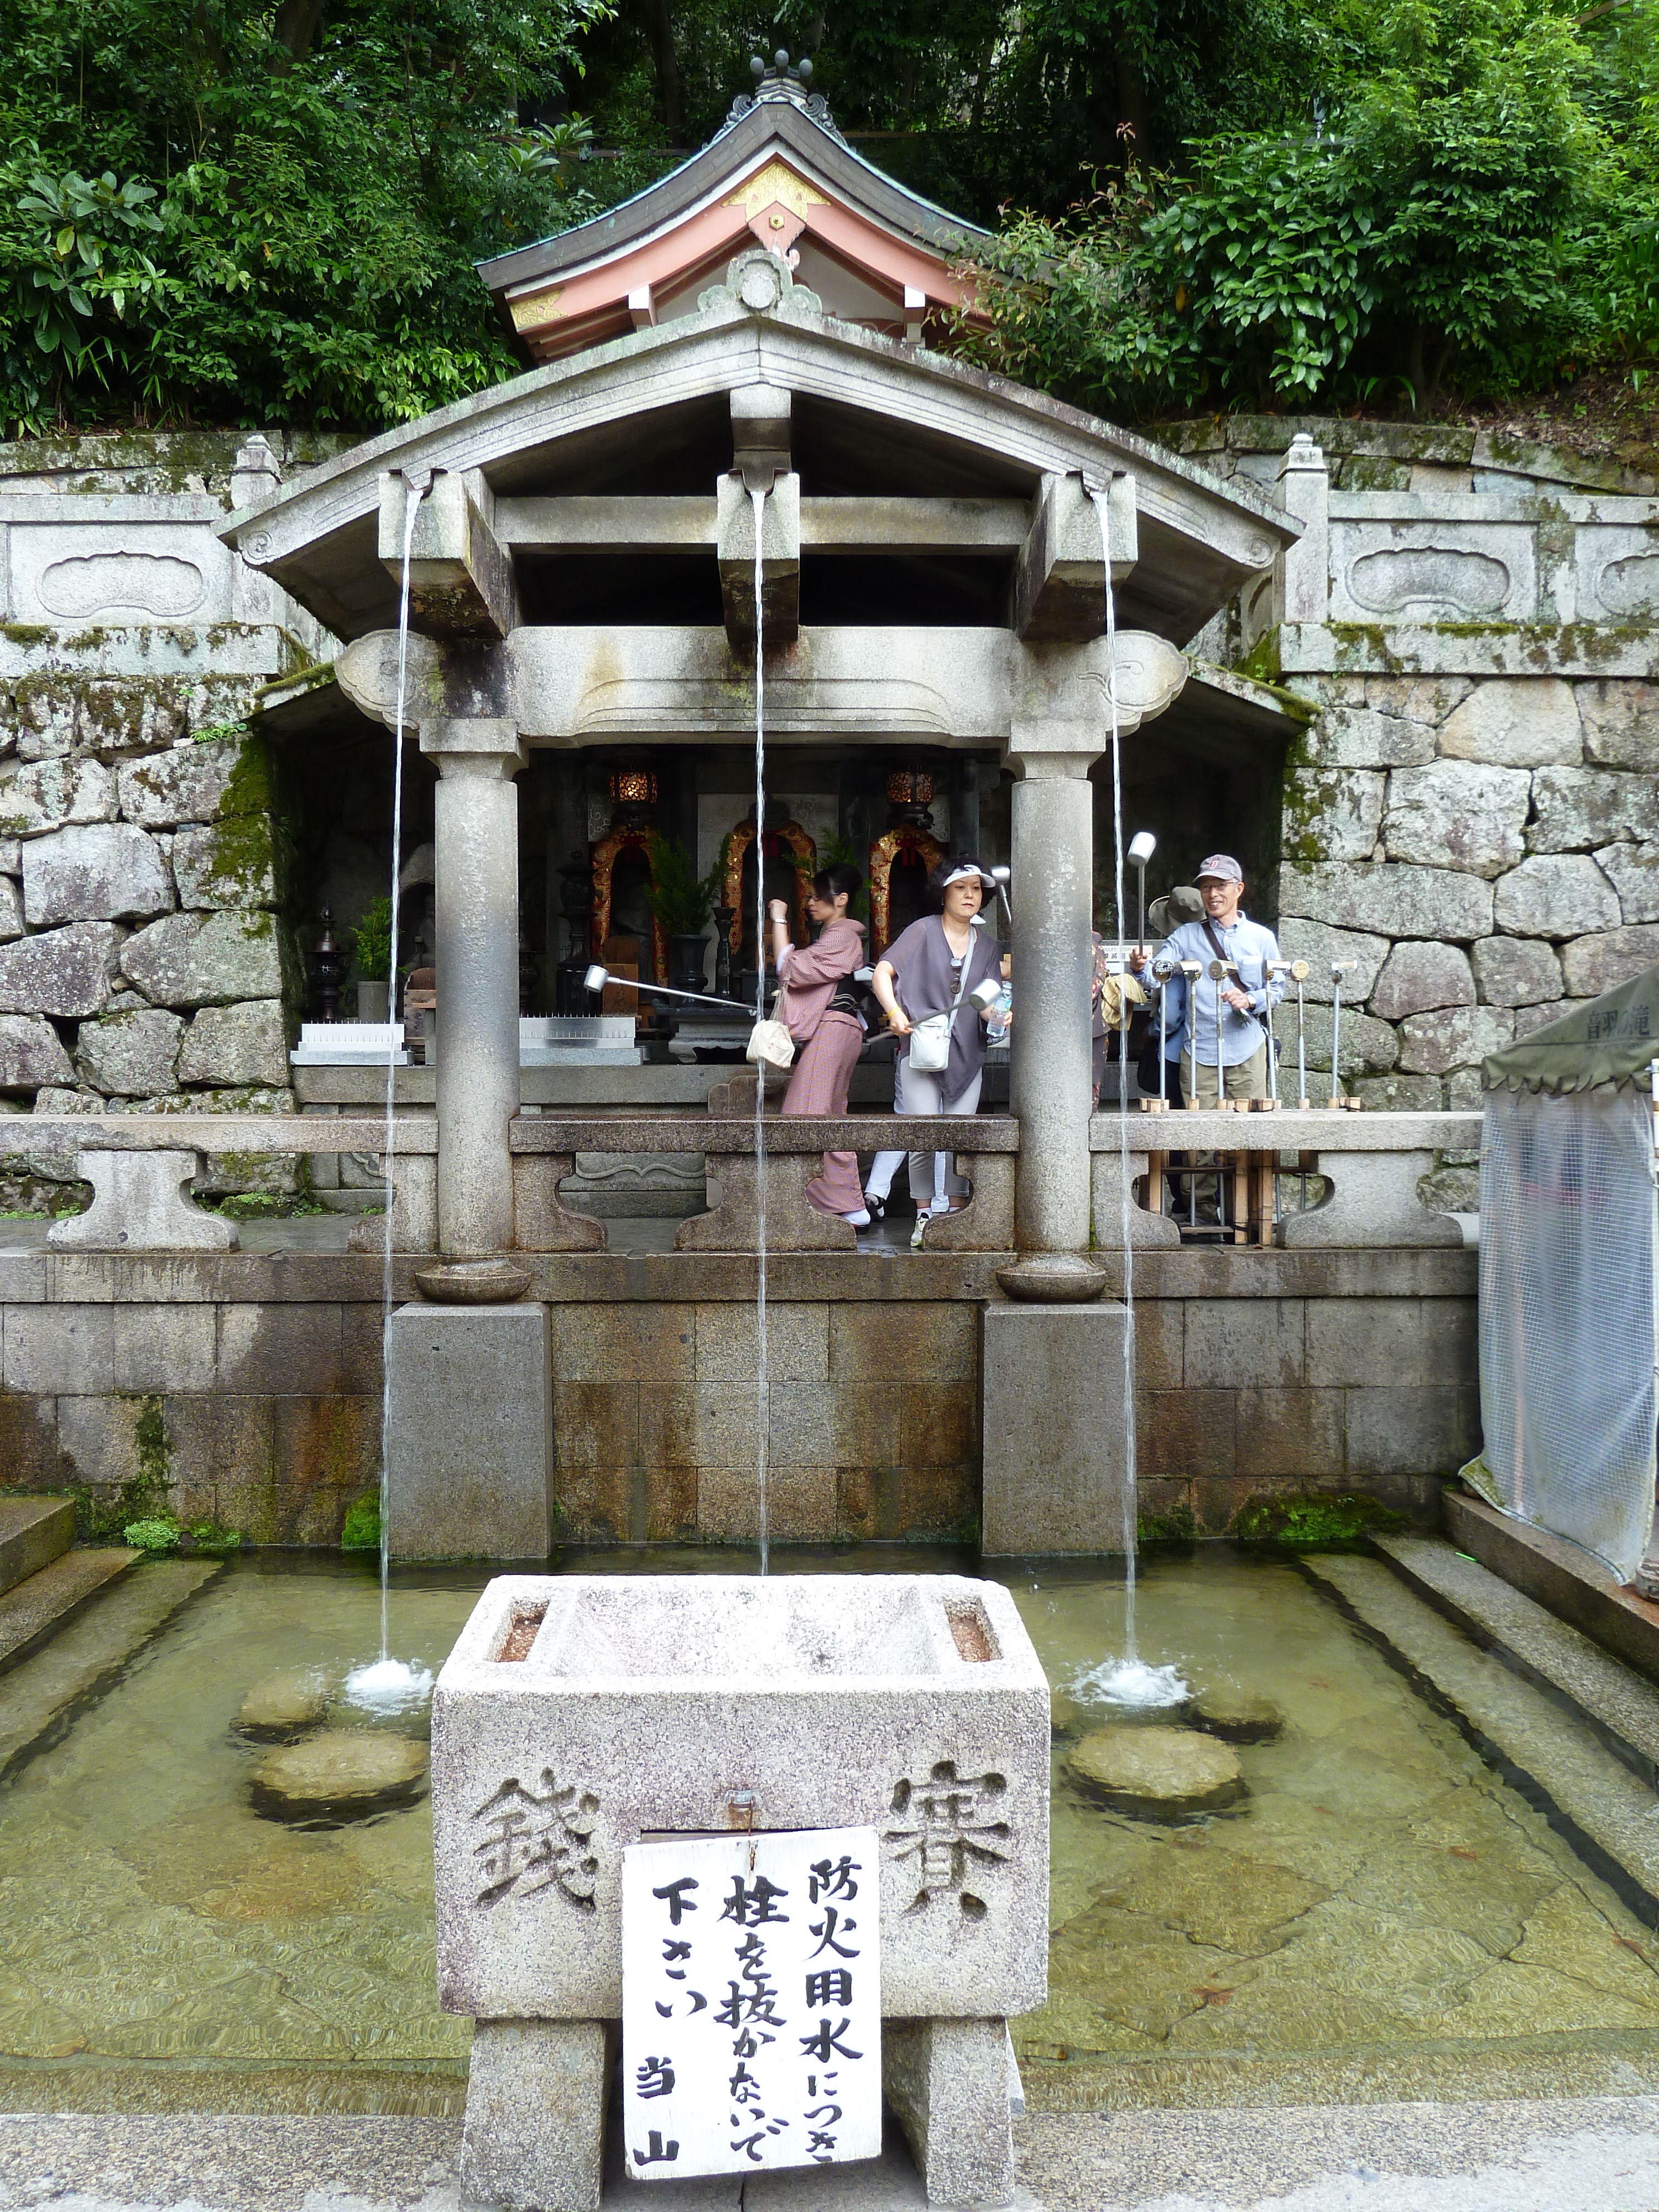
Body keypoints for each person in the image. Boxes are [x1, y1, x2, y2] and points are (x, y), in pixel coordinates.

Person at [864, 857, 1005, 1248]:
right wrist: (893, 1012)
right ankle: (925, 1216)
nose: (969, 895)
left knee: (960, 1137)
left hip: (967, 1051)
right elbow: (882, 972)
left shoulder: (989, 946)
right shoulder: (922, 931)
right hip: (921, 1047)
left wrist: (1000, 1015)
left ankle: (957, 1217)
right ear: (944, 893)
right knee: (923, 1133)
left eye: (976, 889)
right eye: (961, 888)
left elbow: (987, 1001)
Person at [1130, 854, 1284, 1103]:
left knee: (1249, 1134)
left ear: (1239, 889)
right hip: (1199, 1054)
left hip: (1247, 1051)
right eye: (1206, 887)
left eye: (1221, 886)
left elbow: (1276, 990)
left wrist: (1250, 999)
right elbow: (1158, 974)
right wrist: (1141, 967)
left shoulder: (1262, 938)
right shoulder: (1185, 936)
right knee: (1199, 1136)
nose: (1213, 894)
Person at [769, 864, 869, 1226]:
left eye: (816, 896)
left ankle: (803, 1202)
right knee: (828, 1118)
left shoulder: (842, 936)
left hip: (833, 1029)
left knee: (804, 1115)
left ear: (840, 900)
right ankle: (846, 1204)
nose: (810, 903)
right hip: (839, 1028)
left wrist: (778, 920)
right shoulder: (837, 936)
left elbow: (792, 969)